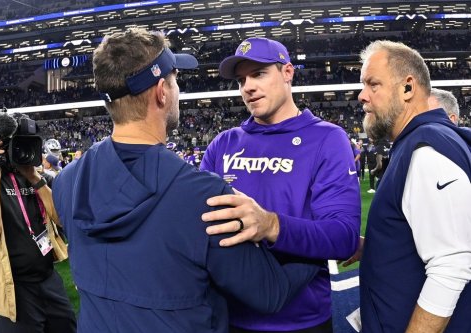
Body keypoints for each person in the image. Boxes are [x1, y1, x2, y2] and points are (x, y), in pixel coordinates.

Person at [52, 28, 319, 333]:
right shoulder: (205, 196)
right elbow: (270, 293)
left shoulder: (66, 181)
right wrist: (316, 250)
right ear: (161, 92)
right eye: (175, 79)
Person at [200, 37, 361, 333]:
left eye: (258, 74)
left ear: (288, 72)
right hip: (230, 318)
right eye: (241, 79)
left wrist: (271, 225)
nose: (247, 86)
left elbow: (344, 237)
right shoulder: (223, 144)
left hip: (301, 320)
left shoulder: (328, 139)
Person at [357, 40, 470, 332]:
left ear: (407, 88)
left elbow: (450, 265)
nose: (361, 96)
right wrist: (378, 247)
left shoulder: (424, 149)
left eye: (373, 84)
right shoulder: (423, 141)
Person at [0, 114, 76, 332]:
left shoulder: (36, 176)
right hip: (12, 287)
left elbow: (62, 219)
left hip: (48, 279)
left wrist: (34, 178)